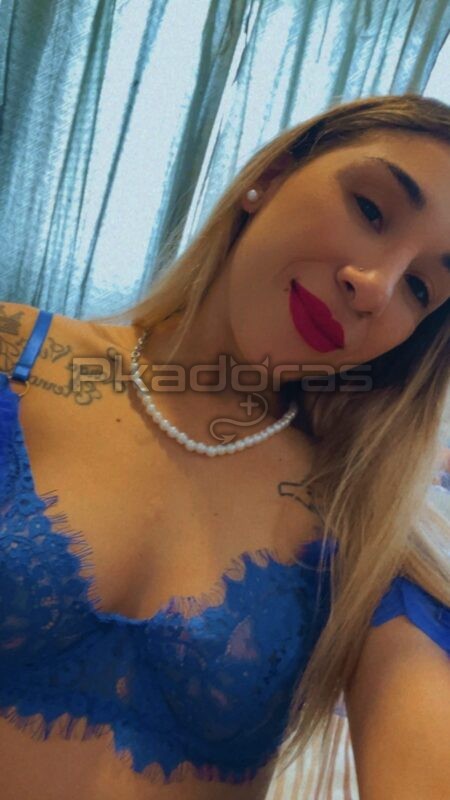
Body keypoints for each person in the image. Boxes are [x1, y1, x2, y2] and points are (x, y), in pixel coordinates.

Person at [0, 93, 449, 800]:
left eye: (420, 287)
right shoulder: (12, 359)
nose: (374, 287)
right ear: (268, 178)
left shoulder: (358, 530)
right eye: (370, 210)